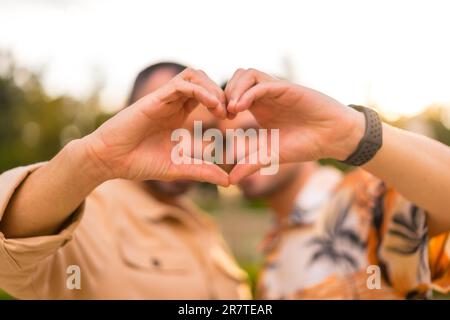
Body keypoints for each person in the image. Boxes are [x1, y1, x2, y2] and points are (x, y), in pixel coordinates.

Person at [0, 63, 250, 299]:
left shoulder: (203, 226)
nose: (188, 144)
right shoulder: (86, 214)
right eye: (168, 122)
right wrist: (96, 158)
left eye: (203, 131)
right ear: (127, 117)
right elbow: (9, 250)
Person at [219, 68, 450, 299]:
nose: (236, 151)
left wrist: (351, 133)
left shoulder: (364, 199)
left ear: (295, 123)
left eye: (251, 132)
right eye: (224, 141)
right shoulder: (273, 243)